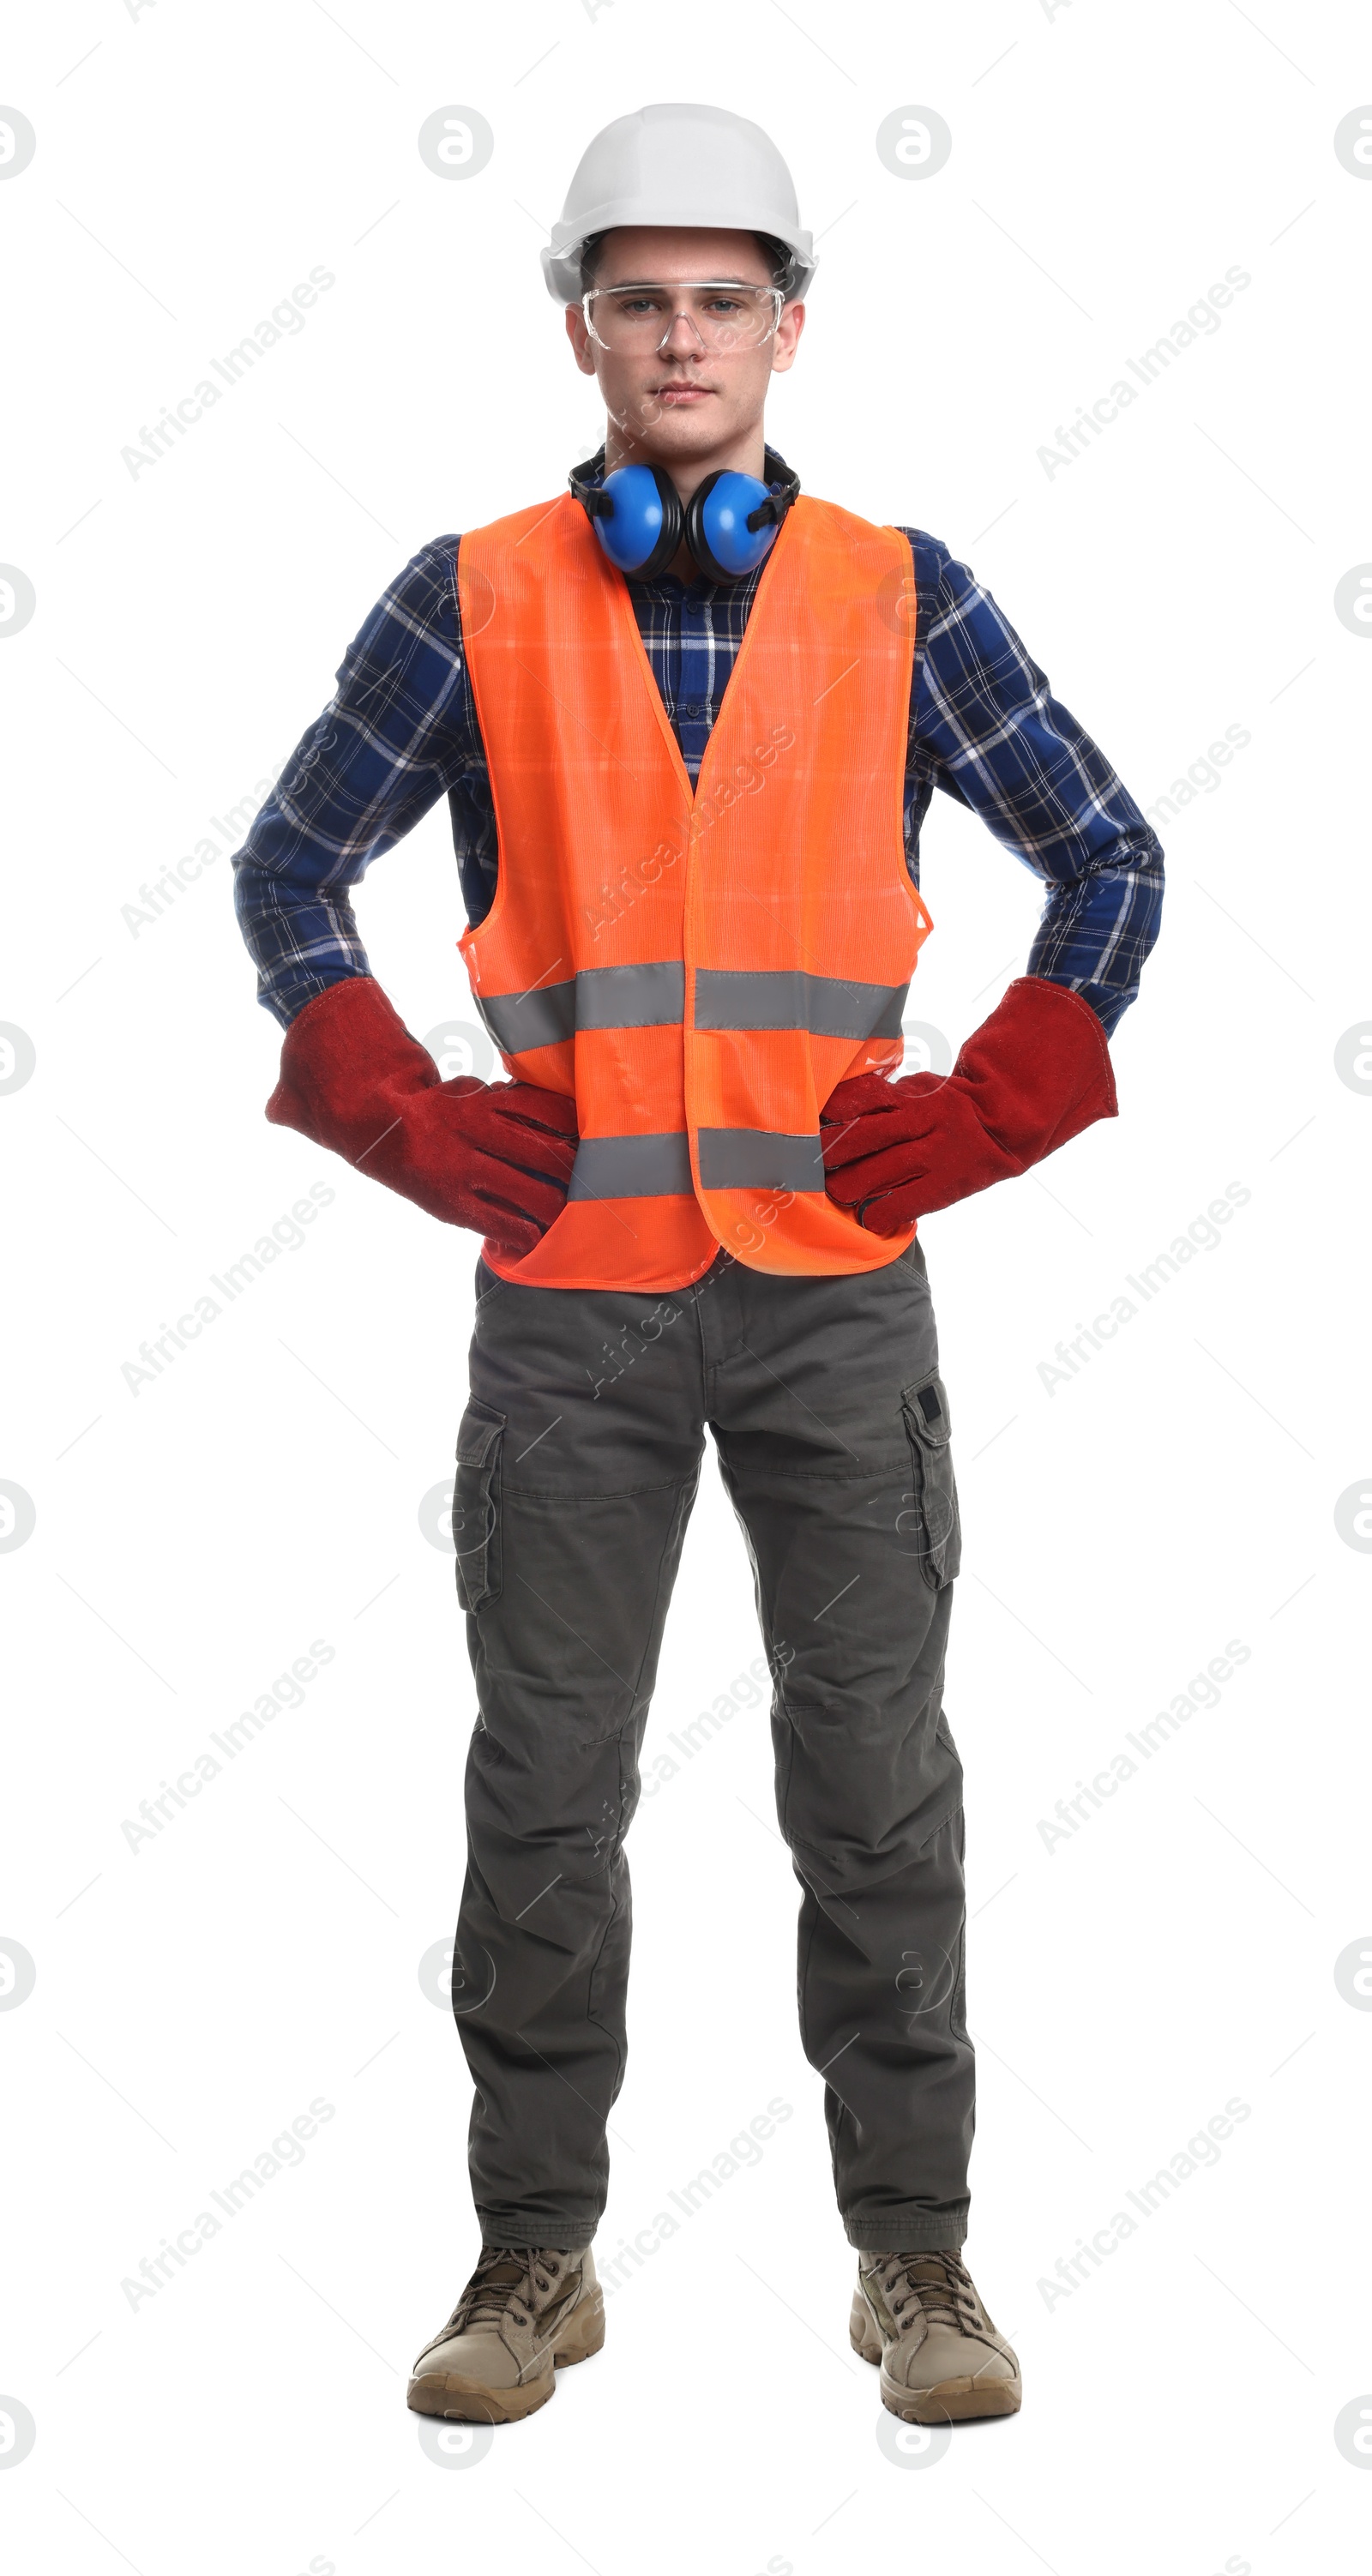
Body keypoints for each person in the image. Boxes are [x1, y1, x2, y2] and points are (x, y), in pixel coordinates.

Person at [232, 101, 1163, 2429]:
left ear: (788, 328)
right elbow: (285, 871)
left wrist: (986, 1105)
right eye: (636, 298)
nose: (677, 335)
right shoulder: (472, 597)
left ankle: (918, 2262)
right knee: (545, 1777)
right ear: (580, 326)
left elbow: (1113, 862)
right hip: (571, 1294)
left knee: (875, 1778)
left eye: (719, 299)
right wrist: (412, 1118)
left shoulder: (897, 589)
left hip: (836, 1276)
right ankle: (534, 2254)